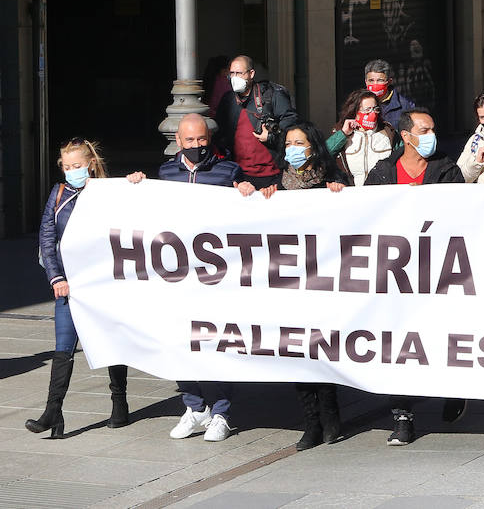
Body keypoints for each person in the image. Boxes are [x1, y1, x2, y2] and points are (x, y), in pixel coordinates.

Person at [128, 113, 255, 442]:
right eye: (189, 141)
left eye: (201, 140)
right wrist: (136, 187)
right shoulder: (167, 173)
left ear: (209, 140)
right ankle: (194, 405)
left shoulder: (228, 172)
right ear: (178, 142)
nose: (196, 146)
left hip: (217, 278)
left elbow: (250, 217)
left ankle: (221, 412)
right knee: (178, 341)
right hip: (179, 277)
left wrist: (245, 191)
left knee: (216, 344)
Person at [364, 109, 465, 445]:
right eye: (424, 129)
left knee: (441, 337)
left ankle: (456, 388)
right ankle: (403, 416)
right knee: (399, 346)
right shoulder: (382, 173)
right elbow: (362, 215)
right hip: (396, 276)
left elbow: (464, 215)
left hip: (438, 272)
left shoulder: (446, 170)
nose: (431, 135)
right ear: (406, 136)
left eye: (433, 129)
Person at [26, 139, 127, 439]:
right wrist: (56, 278)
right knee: (63, 349)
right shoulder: (58, 194)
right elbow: (47, 238)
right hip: (69, 285)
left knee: (111, 343)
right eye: (67, 167)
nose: (72, 171)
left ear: (91, 164)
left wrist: (136, 183)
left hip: (103, 283)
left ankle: (119, 403)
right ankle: (53, 412)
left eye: (77, 166)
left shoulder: (109, 192)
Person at [267, 122, 349, 450]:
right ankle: (311, 422)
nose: (294, 148)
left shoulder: (333, 180)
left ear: (313, 146)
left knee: (322, 347)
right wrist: (257, 197)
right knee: (297, 351)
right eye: (289, 143)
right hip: (289, 281)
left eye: (300, 142)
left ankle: (331, 415)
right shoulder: (277, 182)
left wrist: (341, 198)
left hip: (324, 279)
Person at [213, 55, 298, 190]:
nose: (235, 77)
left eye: (239, 73)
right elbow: (220, 134)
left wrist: (271, 136)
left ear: (251, 74)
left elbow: (292, 125)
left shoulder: (272, 95)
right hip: (240, 176)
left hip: (273, 175)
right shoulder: (228, 100)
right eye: (232, 73)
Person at [328, 89, 398, 186]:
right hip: (353, 193)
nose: (372, 113)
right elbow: (323, 155)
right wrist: (343, 134)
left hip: (382, 193)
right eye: (367, 110)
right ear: (354, 111)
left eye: (375, 109)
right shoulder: (342, 133)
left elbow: (403, 156)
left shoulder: (389, 132)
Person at [361, 60, 417, 130]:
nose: (375, 84)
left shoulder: (405, 105)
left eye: (380, 80)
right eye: (371, 80)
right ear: (366, 82)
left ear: (389, 82)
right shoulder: (358, 103)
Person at [200, 55, 231, 120]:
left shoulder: (210, 80)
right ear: (224, 70)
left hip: (208, 116)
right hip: (219, 118)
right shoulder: (223, 82)